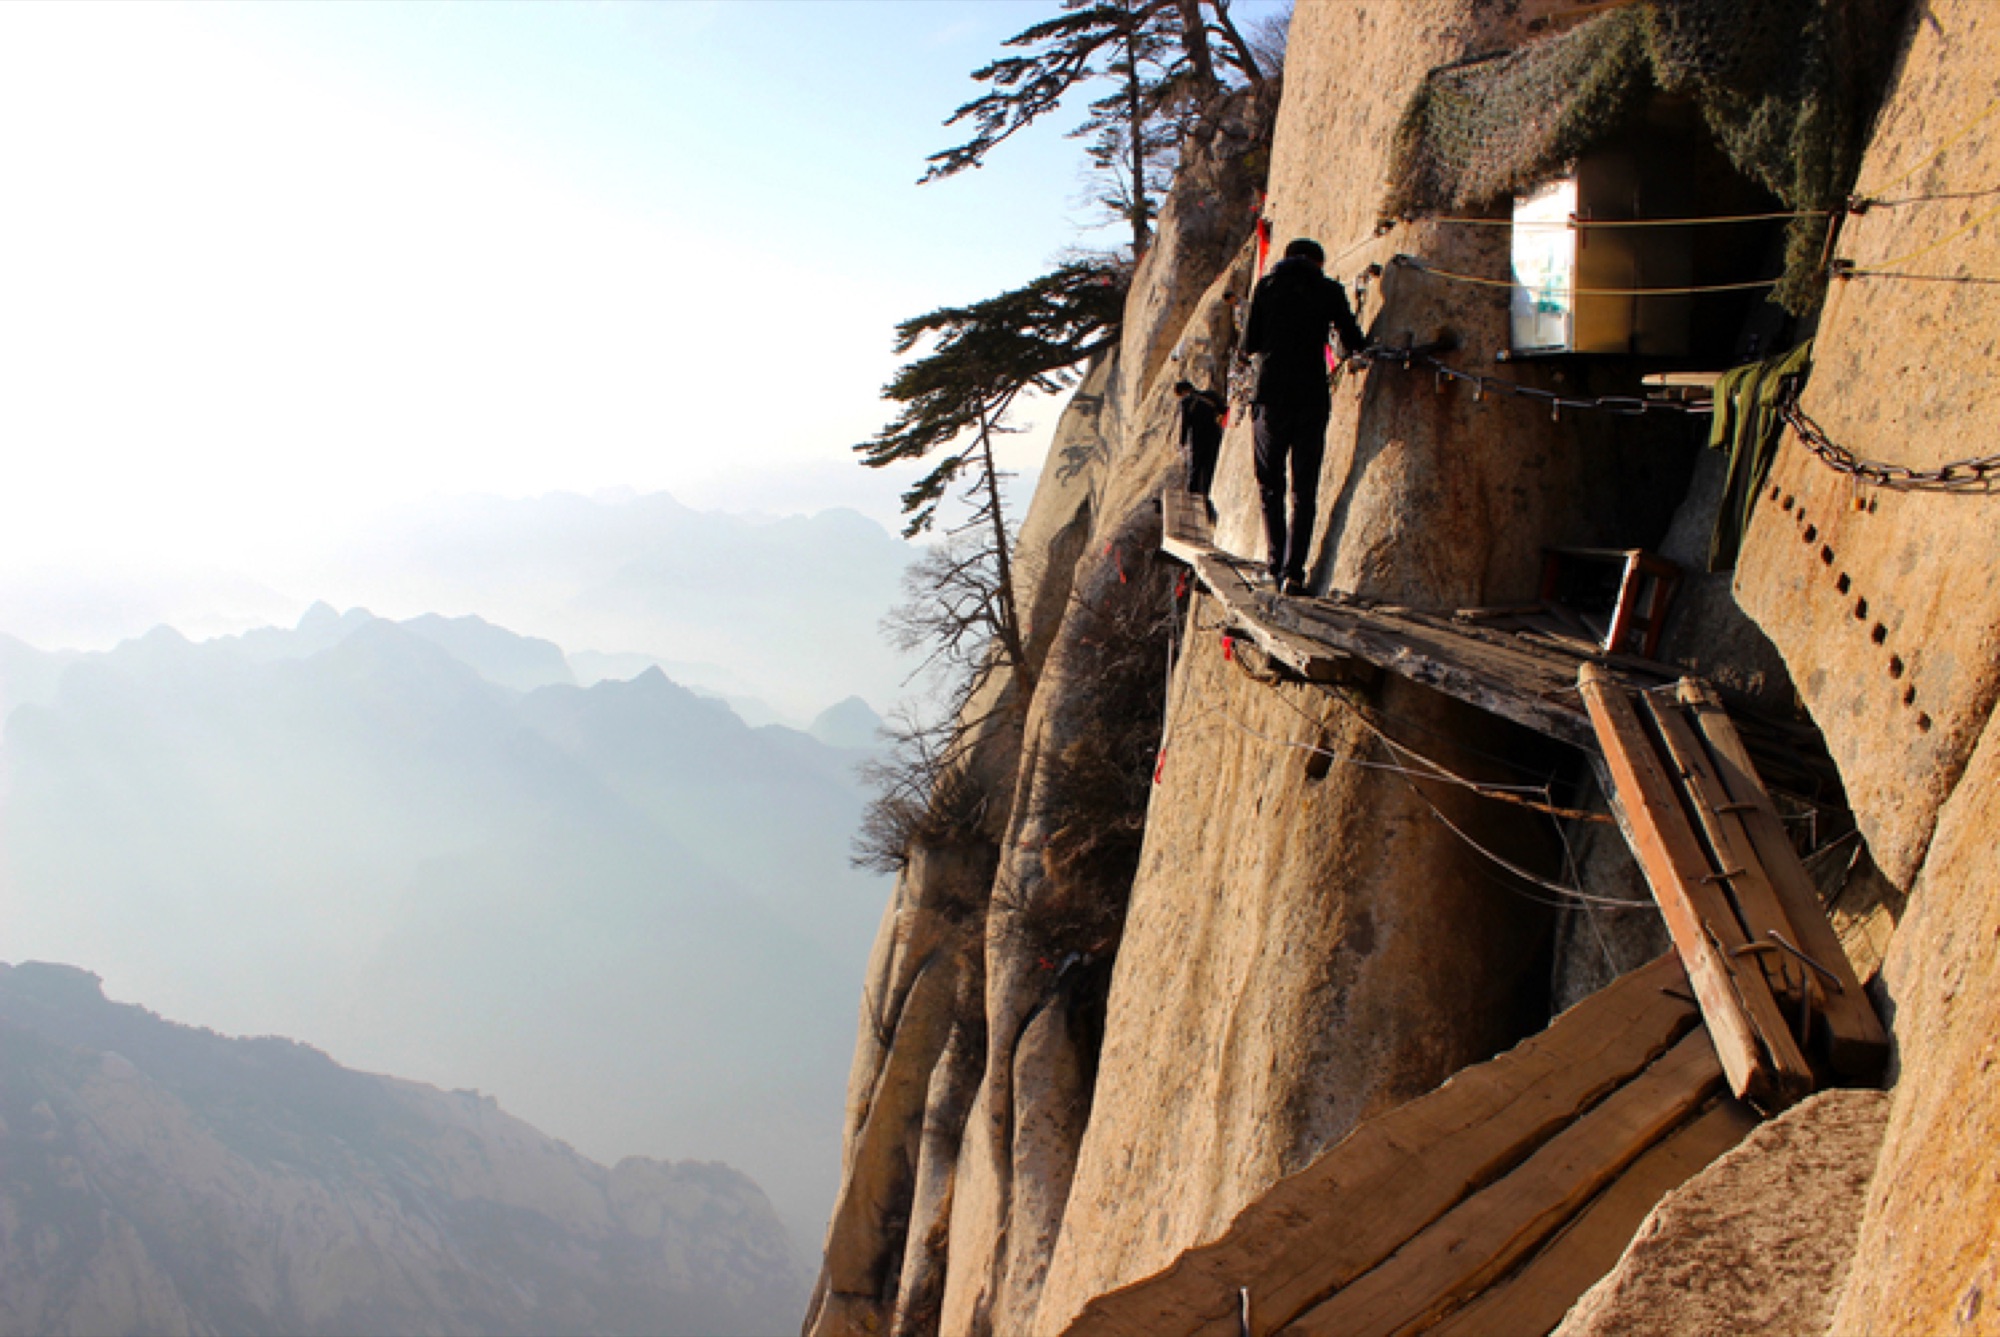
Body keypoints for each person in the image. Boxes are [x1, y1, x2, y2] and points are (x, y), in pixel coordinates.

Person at [1242, 236, 1368, 594]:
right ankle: (1294, 572)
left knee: (1270, 485)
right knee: (1304, 489)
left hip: (1270, 396)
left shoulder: (1266, 287)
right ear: (1318, 262)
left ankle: (1273, 564)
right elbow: (1353, 339)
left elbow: (1249, 343)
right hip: (1311, 396)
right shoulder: (1328, 289)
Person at [1173, 379, 1227, 503]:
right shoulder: (1211, 396)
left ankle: (1192, 500)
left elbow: (1185, 424)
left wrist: (1182, 441)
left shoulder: (1186, 402)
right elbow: (1224, 411)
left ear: (1183, 392)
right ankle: (1208, 497)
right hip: (1214, 436)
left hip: (1197, 439)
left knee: (1195, 470)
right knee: (1210, 468)